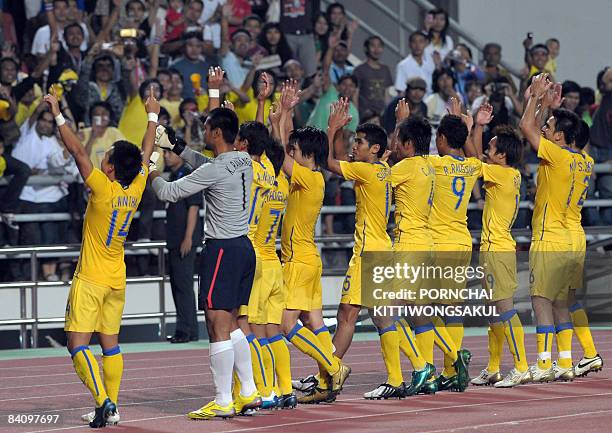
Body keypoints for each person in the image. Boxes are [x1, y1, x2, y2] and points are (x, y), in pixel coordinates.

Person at [45, 86, 158, 427]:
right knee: (110, 344)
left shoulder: (103, 190)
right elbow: (147, 151)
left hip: (91, 278)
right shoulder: (135, 187)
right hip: (116, 279)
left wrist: (58, 111)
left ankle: (104, 402)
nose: (101, 157)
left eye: (105, 155)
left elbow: (78, 151)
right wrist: (152, 115)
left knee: (76, 343)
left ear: (109, 169)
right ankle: (113, 406)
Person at [152, 105, 260, 419]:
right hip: (243, 248)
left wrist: (152, 172)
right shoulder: (243, 159)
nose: (203, 131)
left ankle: (223, 398)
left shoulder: (217, 167)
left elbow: (170, 193)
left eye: (206, 127)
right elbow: (210, 164)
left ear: (215, 133)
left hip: (222, 250)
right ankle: (249, 390)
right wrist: (178, 148)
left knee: (216, 325)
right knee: (234, 323)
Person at [269, 81, 351, 404]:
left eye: (297, 151)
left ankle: (334, 366)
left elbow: (278, 154)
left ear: (309, 156)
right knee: (314, 324)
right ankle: (326, 380)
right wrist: (283, 117)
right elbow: (285, 145)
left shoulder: (307, 176)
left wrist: (283, 116)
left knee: (286, 326)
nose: (292, 153)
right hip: (309, 259)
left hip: (297, 262)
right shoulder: (312, 177)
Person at [322, 100, 404, 401]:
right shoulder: (383, 167)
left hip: (368, 251)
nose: (355, 146)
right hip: (381, 248)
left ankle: (329, 373)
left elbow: (330, 163)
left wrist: (333, 128)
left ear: (374, 150)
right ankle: (331, 373)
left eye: (360, 142)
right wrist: (398, 123)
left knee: (349, 314)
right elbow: (389, 147)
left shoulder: (368, 171)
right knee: (375, 316)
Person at [519, 73, 580, 382]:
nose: (545, 129)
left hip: (551, 235)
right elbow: (543, 129)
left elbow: (526, 127)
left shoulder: (553, 156)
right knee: (561, 302)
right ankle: (565, 361)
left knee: (540, 298)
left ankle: (544, 362)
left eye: (550, 128)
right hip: (574, 238)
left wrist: (535, 97)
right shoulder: (584, 159)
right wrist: (550, 109)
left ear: (557, 138)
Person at [465, 103, 530, 388]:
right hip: (496, 247)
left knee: (504, 309)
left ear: (502, 155)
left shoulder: (501, 174)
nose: (486, 152)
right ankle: (493, 367)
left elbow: (472, 158)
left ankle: (522, 366)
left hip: (498, 249)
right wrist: (479, 129)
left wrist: (476, 126)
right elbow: (478, 157)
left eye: (491, 148)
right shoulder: (509, 173)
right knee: (494, 311)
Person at [425, 110, 477, 393]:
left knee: (425, 310)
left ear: (442, 138)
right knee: (453, 310)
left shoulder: (434, 163)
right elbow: (476, 157)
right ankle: (449, 369)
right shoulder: (471, 167)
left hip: (439, 242)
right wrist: (467, 129)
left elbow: (408, 156)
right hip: (462, 241)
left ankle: (448, 363)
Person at [387, 104, 437, 397]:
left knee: (387, 311)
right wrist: (402, 123)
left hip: (409, 244)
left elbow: (381, 182)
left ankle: (421, 367)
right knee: (420, 312)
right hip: (426, 242)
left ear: (408, 144)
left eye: (398, 141)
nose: (394, 147)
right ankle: (427, 369)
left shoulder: (405, 167)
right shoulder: (429, 164)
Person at [250, 139, 297, 409]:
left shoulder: (260, 180)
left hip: (257, 261)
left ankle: (266, 390)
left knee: (254, 333)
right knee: (274, 333)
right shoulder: (282, 184)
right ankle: (286, 388)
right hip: (274, 263)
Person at [564, 121, 603, 377]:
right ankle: (589, 354)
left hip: (560, 235)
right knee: (568, 299)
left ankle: (562, 361)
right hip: (576, 232)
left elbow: (530, 133)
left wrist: (537, 100)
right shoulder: (587, 160)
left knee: (553, 301)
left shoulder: (560, 157)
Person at [163, 149, 202, 344]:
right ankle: (185, 329)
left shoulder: (188, 175)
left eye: (169, 153)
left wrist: (188, 237)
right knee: (177, 285)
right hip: (174, 240)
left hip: (184, 241)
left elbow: (194, 207)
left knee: (184, 286)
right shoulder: (172, 176)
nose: (165, 156)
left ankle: (186, 330)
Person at [353, 36, 393, 120]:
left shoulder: (385, 69)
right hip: (365, 116)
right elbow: (355, 95)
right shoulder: (359, 70)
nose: (376, 49)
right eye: (373, 46)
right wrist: (356, 117)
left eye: (379, 46)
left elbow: (386, 94)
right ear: (366, 49)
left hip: (381, 116)